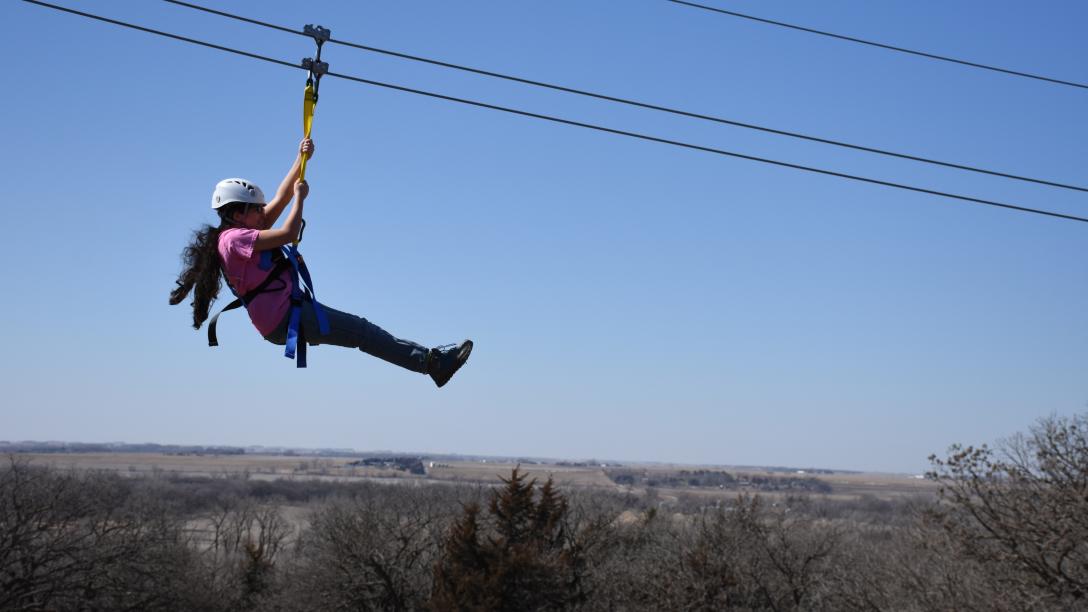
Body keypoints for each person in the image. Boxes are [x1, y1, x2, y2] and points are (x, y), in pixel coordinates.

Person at [169, 138, 472, 387]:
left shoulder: (243, 233)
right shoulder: (235, 240)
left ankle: (430, 362)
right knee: (362, 333)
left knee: (361, 332)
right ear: (237, 214)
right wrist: (302, 199)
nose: (263, 213)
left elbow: (281, 196)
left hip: (287, 315)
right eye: (257, 210)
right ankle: (431, 363)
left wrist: (301, 159)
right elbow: (288, 231)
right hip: (287, 318)